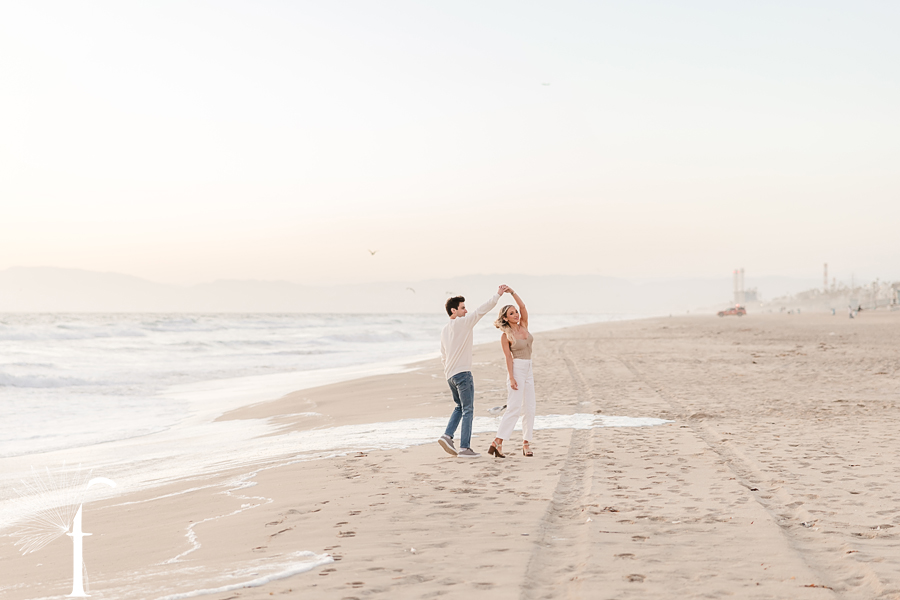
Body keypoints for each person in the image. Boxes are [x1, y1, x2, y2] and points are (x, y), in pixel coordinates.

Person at [438, 285, 509, 458]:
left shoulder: (445, 330)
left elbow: (443, 356)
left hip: (450, 375)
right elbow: (482, 310)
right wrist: (498, 295)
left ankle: (447, 436)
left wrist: (449, 371)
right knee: (468, 409)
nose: (466, 311)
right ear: (453, 311)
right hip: (463, 374)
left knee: (459, 407)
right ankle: (464, 448)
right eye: (463, 308)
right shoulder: (463, 322)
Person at [488, 288, 535, 458]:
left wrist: (512, 292)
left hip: (529, 369)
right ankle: (497, 441)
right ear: (506, 318)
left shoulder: (524, 325)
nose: (516, 314)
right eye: (511, 313)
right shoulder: (505, 335)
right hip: (517, 370)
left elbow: (523, 307)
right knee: (514, 408)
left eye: (516, 312)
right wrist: (512, 378)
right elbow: (508, 357)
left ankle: (526, 443)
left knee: (530, 407)